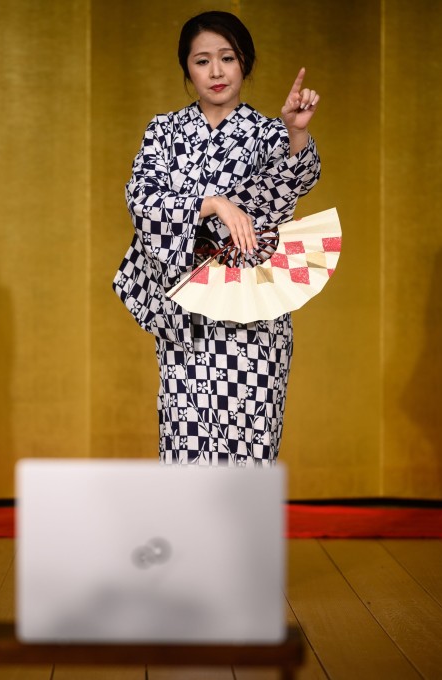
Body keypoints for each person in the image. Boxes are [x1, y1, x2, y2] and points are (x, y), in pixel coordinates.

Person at [112, 10, 321, 466]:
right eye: (202, 60)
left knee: (250, 445)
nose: (216, 71)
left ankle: (243, 540)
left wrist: (297, 132)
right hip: (188, 315)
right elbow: (143, 201)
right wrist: (212, 203)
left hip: (253, 314)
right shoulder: (164, 131)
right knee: (185, 447)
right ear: (186, 68)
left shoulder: (268, 133)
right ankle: (190, 540)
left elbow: (297, 182)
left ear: (244, 62)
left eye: (227, 58)